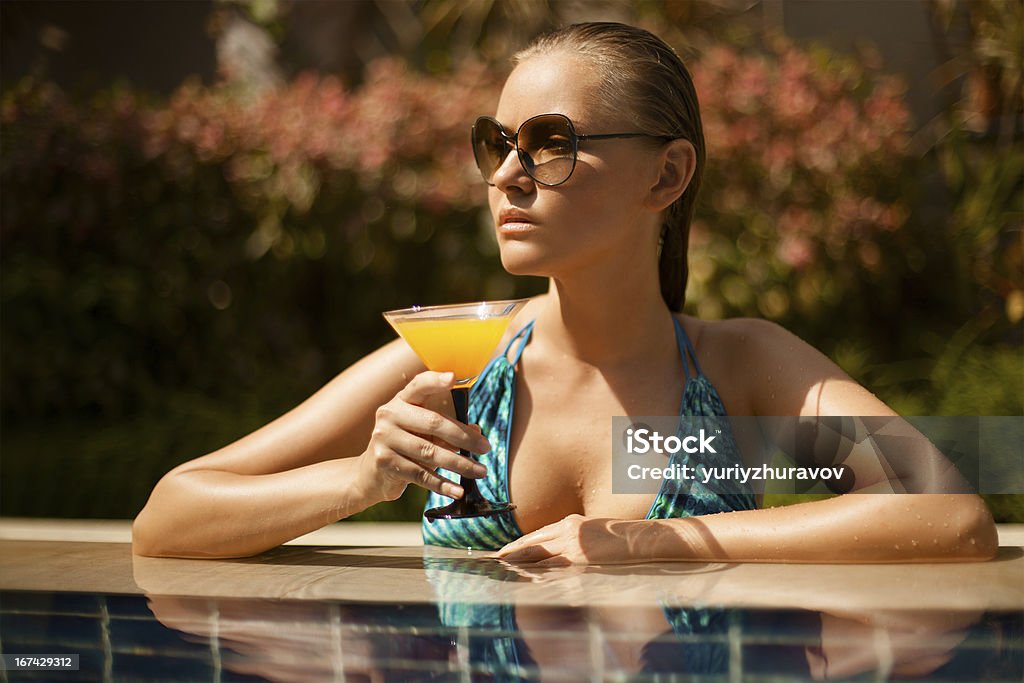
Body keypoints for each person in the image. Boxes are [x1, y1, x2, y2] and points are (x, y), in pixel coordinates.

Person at [132, 22, 997, 563]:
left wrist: (655, 539)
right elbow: (167, 517)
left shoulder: (739, 368)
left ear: (667, 173)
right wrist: (359, 480)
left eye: (550, 144)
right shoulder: (453, 359)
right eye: (496, 142)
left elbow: (949, 513)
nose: (507, 175)